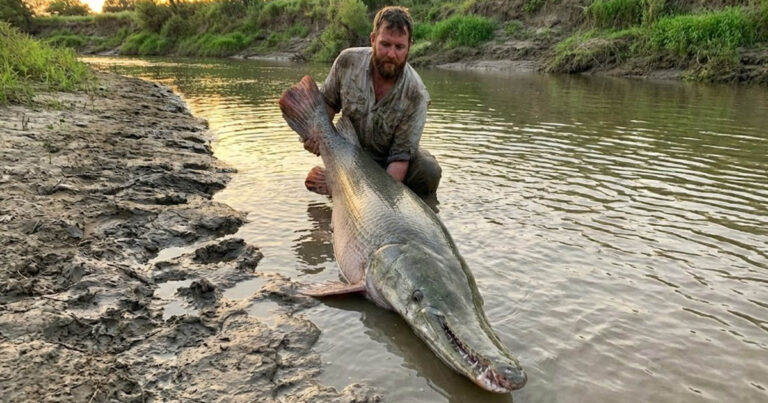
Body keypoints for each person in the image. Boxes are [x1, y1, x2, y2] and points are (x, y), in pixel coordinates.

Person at [303, 6, 441, 197]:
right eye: (385, 44)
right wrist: (314, 135)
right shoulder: (347, 61)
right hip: (348, 153)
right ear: (373, 39)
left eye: (399, 47)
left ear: (409, 45)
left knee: (428, 171)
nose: (392, 54)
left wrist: (376, 200)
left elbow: (399, 159)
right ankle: (338, 181)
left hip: (387, 162)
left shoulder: (416, 94)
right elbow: (327, 104)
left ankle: (402, 203)